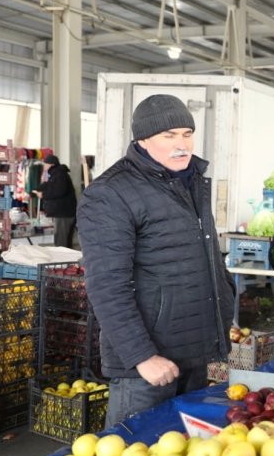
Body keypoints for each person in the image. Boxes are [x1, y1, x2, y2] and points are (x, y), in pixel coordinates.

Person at [77, 94, 235, 427]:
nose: (182, 144)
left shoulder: (192, 182)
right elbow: (107, 286)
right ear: (143, 140)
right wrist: (142, 357)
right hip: (148, 367)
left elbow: (205, 257)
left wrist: (224, 312)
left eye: (187, 134)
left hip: (195, 352)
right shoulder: (110, 193)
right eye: (169, 135)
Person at [32, 154, 77, 248]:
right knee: (63, 239)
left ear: (51, 164)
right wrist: (33, 192)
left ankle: (63, 261)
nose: (44, 166)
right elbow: (47, 185)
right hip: (63, 212)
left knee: (61, 240)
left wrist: (43, 195)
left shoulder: (59, 174)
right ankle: (66, 261)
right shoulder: (55, 174)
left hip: (64, 213)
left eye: (45, 164)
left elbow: (59, 191)